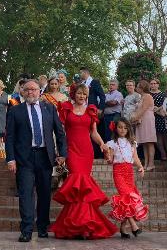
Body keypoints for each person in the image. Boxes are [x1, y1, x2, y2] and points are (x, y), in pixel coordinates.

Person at [50, 84, 117, 239]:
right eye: (79, 93)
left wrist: (102, 144)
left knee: (84, 188)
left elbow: (93, 132)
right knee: (76, 184)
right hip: (71, 150)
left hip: (86, 151)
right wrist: (61, 152)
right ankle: (76, 226)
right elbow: (60, 132)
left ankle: (84, 226)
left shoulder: (91, 110)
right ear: (74, 94)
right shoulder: (66, 108)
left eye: (84, 94)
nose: (82, 96)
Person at [5, 79, 67, 242]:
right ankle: (26, 230)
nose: (30, 92)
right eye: (27, 90)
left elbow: (59, 132)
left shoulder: (49, 108)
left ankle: (42, 227)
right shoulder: (15, 111)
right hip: (24, 159)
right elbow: (9, 137)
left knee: (45, 194)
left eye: (34, 89)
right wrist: (10, 158)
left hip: (45, 157)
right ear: (23, 92)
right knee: (25, 194)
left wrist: (62, 153)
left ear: (40, 91)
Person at [105, 117, 148, 239]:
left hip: (129, 173)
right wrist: (108, 158)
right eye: (120, 127)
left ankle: (123, 228)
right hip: (118, 172)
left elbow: (135, 157)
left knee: (130, 200)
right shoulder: (112, 143)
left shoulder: (132, 143)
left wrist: (140, 167)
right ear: (115, 128)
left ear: (128, 129)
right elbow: (111, 160)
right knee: (126, 198)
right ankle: (134, 226)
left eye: (125, 127)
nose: (123, 130)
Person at [131, 80, 156, 171]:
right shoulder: (141, 97)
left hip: (147, 119)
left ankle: (151, 163)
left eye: (138, 86)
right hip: (141, 120)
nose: (136, 88)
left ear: (142, 87)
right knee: (144, 142)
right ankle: (145, 163)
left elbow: (143, 109)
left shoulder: (148, 96)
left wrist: (134, 118)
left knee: (149, 141)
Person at [150, 78, 167, 161]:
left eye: (155, 83)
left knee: (165, 137)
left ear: (158, 84)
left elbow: (165, 103)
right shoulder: (148, 94)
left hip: (161, 117)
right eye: (151, 83)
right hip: (151, 118)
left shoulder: (163, 94)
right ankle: (163, 154)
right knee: (157, 137)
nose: (153, 85)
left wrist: (157, 109)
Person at [103, 79, 123, 147]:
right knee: (107, 134)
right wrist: (108, 102)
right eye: (110, 84)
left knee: (113, 133)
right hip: (106, 116)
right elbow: (102, 103)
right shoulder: (106, 94)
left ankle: (114, 152)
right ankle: (108, 152)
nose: (111, 86)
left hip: (115, 116)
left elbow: (113, 103)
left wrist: (105, 103)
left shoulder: (118, 94)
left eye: (113, 85)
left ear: (117, 86)